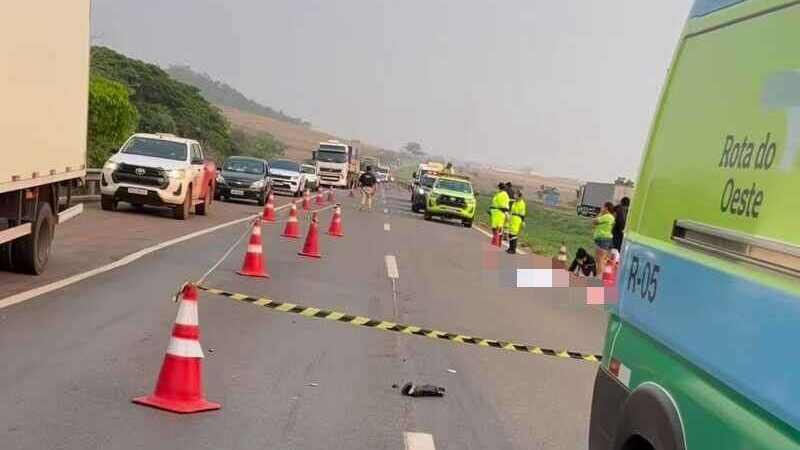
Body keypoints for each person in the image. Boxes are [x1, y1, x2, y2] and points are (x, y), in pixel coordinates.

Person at [593, 202, 616, 274]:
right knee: (601, 259)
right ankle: (600, 276)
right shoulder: (612, 217)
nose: (602, 209)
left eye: (603, 207)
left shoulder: (607, 216)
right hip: (607, 239)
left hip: (602, 239)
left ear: (606, 208)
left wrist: (600, 213)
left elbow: (594, 221)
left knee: (599, 259)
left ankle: (599, 278)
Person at [506, 189, 526, 254]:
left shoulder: (522, 203)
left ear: (518, 196)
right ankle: (510, 248)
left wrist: (522, 221)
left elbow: (522, 214)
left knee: (514, 235)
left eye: (515, 195)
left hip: (517, 219)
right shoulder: (515, 202)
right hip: (512, 218)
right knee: (510, 234)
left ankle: (513, 249)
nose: (514, 195)